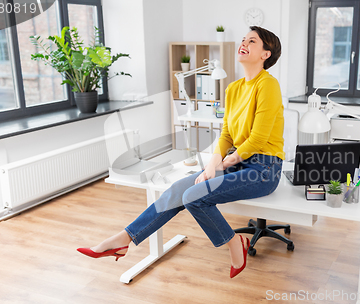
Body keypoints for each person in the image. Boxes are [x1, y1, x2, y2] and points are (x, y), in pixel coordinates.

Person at [77, 26, 284, 279]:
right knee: (177, 190)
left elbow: (259, 138)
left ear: (266, 54)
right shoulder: (233, 88)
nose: (244, 43)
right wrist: (213, 163)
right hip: (238, 162)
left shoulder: (268, 85)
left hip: (263, 168)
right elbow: (227, 135)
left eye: (252, 41)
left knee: (194, 196)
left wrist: (221, 163)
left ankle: (234, 243)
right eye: (243, 39)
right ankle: (123, 239)